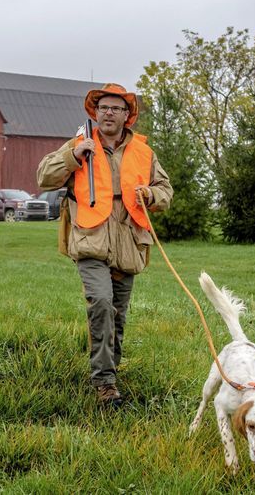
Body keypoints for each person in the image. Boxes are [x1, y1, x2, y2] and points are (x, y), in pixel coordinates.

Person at [36, 83, 173, 406]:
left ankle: (111, 370)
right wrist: (72, 157)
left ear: (128, 116)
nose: (108, 113)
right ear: (95, 113)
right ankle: (105, 384)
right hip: (90, 239)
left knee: (117, 315)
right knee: (100, 303)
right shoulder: (80, 143)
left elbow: (165, 190)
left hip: (128, 242)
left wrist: (152, 195)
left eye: (116, 108)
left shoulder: (144, 152)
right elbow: (43, 177)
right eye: (103, 108)